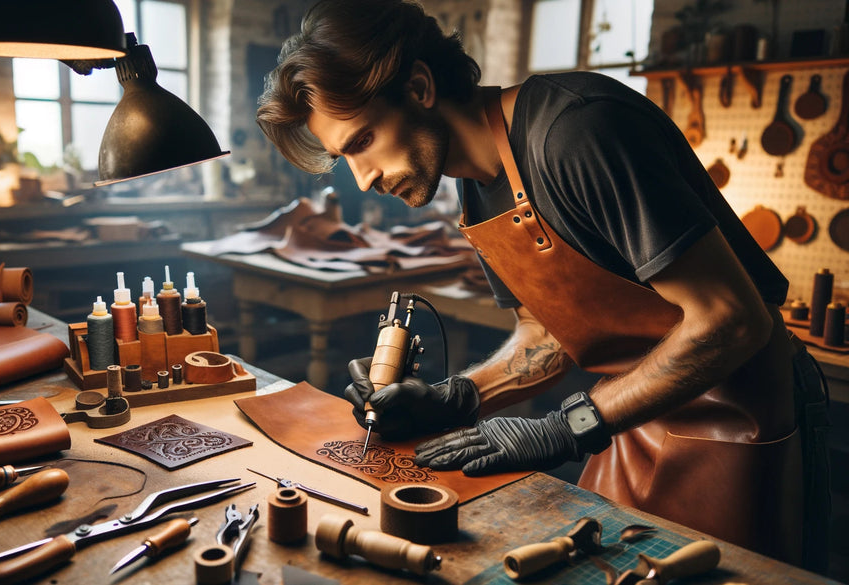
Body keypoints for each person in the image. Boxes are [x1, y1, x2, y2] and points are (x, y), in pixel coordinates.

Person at [256, 0, 830, 570]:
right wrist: (456, 397)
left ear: (420, 87)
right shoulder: (476, 181)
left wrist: (568, 425)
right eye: (343, 158)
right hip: (625, 421)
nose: (364, 179)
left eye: (361, 143)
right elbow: (549, 330)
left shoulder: (577, 130)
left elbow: (731, 319)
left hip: (739, 422)